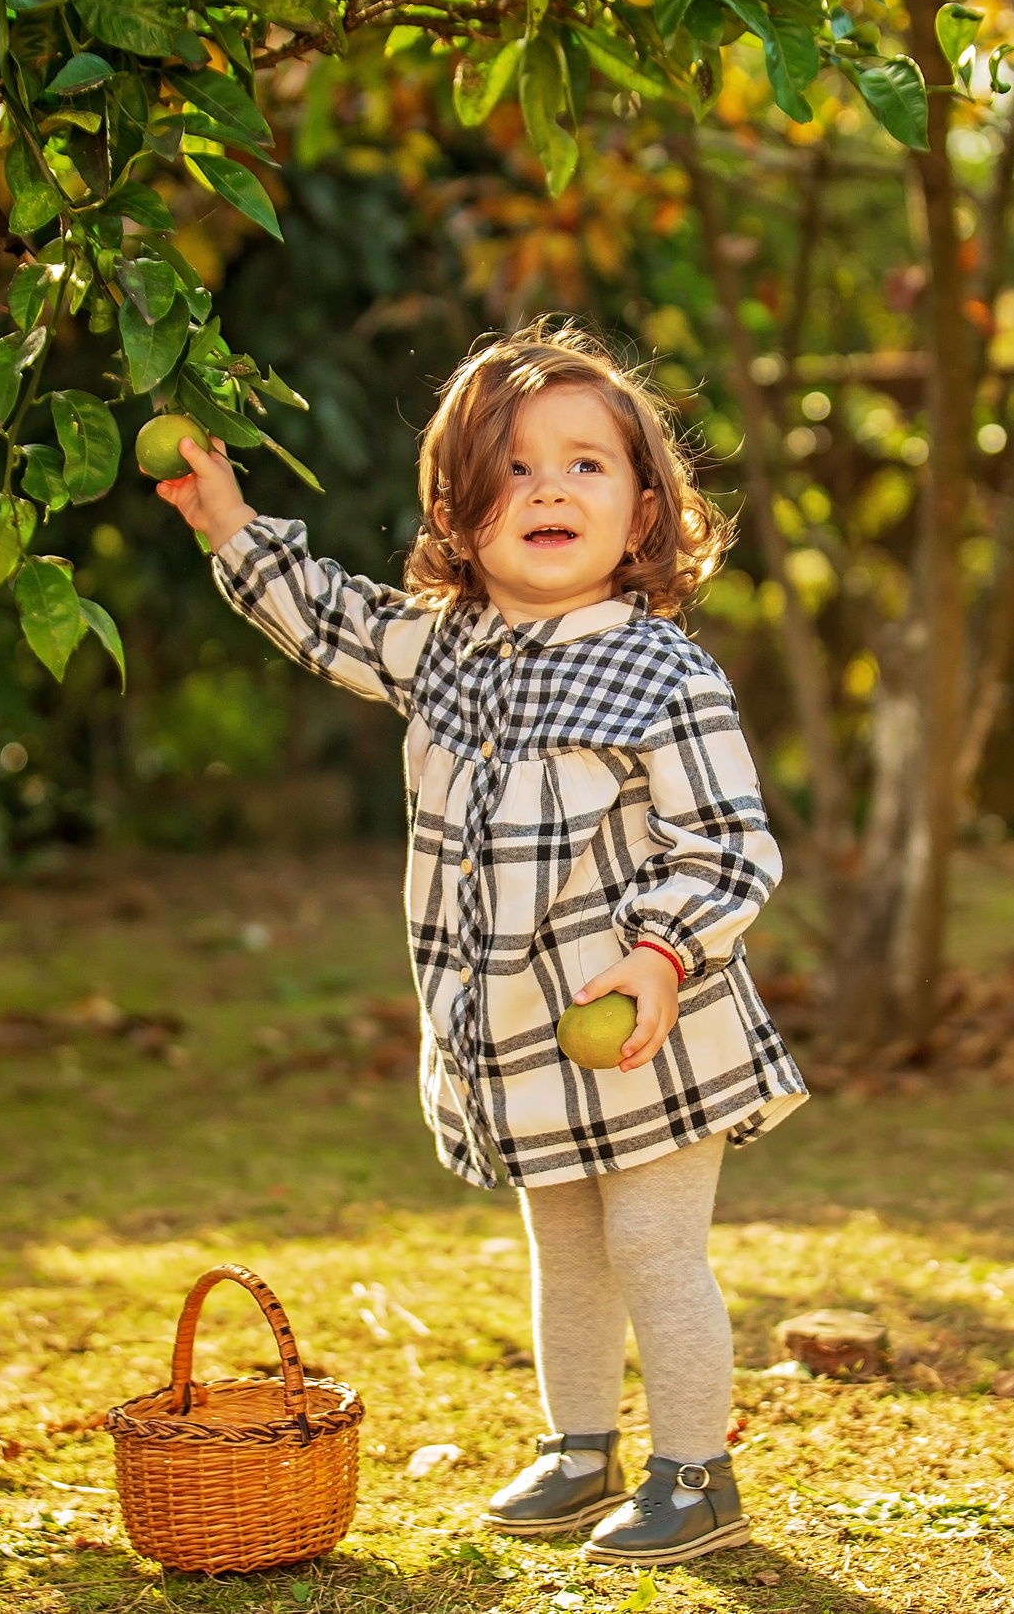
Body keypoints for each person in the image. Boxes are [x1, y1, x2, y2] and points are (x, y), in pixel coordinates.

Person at [156, 322, 806, 1567]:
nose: (547, 488)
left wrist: (663, 953)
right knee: (562, 1245)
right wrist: (227, 522)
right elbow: (329, 619)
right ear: (458, 515)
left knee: (652, 1246)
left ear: (645, 509)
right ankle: (579, 1449)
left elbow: (729, 846)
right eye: (510, 470)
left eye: (584, 466)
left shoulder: (659, 671)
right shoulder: (442, 649)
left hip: (647, 1033)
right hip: (515, 1032)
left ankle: (697, 1472)